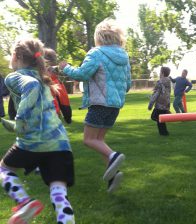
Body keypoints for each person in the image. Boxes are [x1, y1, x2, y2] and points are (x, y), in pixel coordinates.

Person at [0, 38, 75, 224]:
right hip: (60, 142)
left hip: (32, 142)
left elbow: (30, 86)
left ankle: (24, 202)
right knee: (58, 193)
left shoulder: (16, 76)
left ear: (16, 56)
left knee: (4, 168)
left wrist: (20, 119)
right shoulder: (43, 77)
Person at [59, 19, 131, 193]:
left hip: (99, 103)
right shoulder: (124, 56)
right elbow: (128, 84)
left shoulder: (96, 53)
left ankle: (114, 157)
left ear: (98, 37)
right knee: (99, 141)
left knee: (89, 139)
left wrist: (66, 68)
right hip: (115, 106)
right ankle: (113, 176)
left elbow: (82, 74)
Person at [44, 48, 72, 124]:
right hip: (53, 112)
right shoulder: (57, 82)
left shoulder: (36, 79)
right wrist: (67, 116)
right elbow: (64, 100)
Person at [148, 66, 171, 136]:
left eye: (160, 72)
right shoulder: (169, 82)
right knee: (160, 119)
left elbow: (156, 94)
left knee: (155, 117)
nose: (159, 73)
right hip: (166, 104)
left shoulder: (159, 82)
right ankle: (164, 133)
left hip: (159, 105)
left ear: (163, 73)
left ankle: (164, 133)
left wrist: (150, 104)